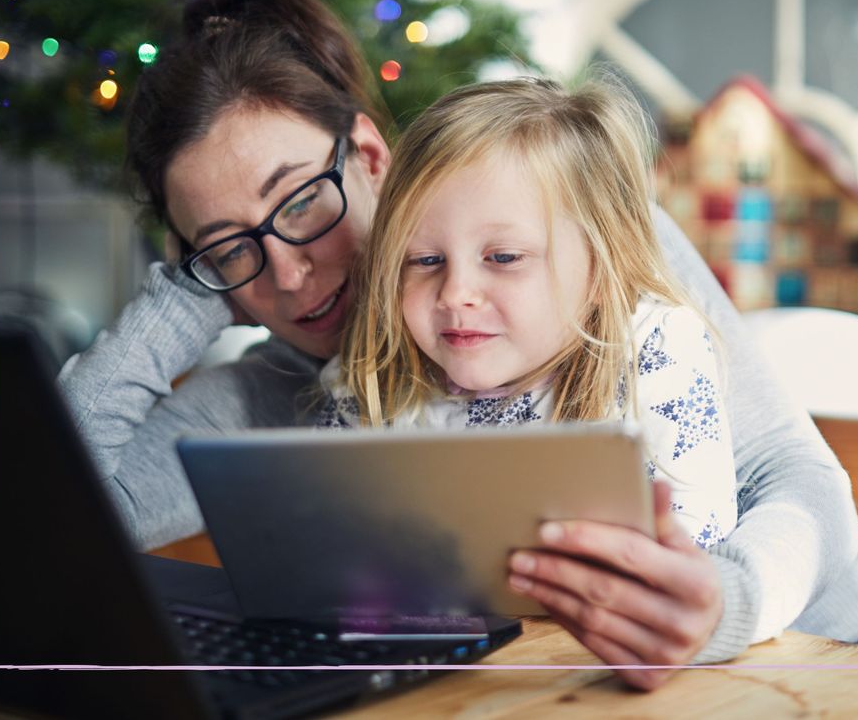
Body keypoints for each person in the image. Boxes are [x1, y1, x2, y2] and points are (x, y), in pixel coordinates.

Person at [56, 0, 858, 688]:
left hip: (811, 658)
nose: (288, 273)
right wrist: (191, 286)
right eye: (231, 248)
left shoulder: (572, 233)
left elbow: (796, 475)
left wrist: (725, 603)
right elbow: (50, 511)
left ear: (371, 159)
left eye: (301, 201)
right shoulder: (279, 390)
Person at [314, 77, 737, 552]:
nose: (455, 294)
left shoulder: (655, 349)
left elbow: (697, 538)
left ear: (601, 268)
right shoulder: (371, 384)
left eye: (504, 258)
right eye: (425, 260)